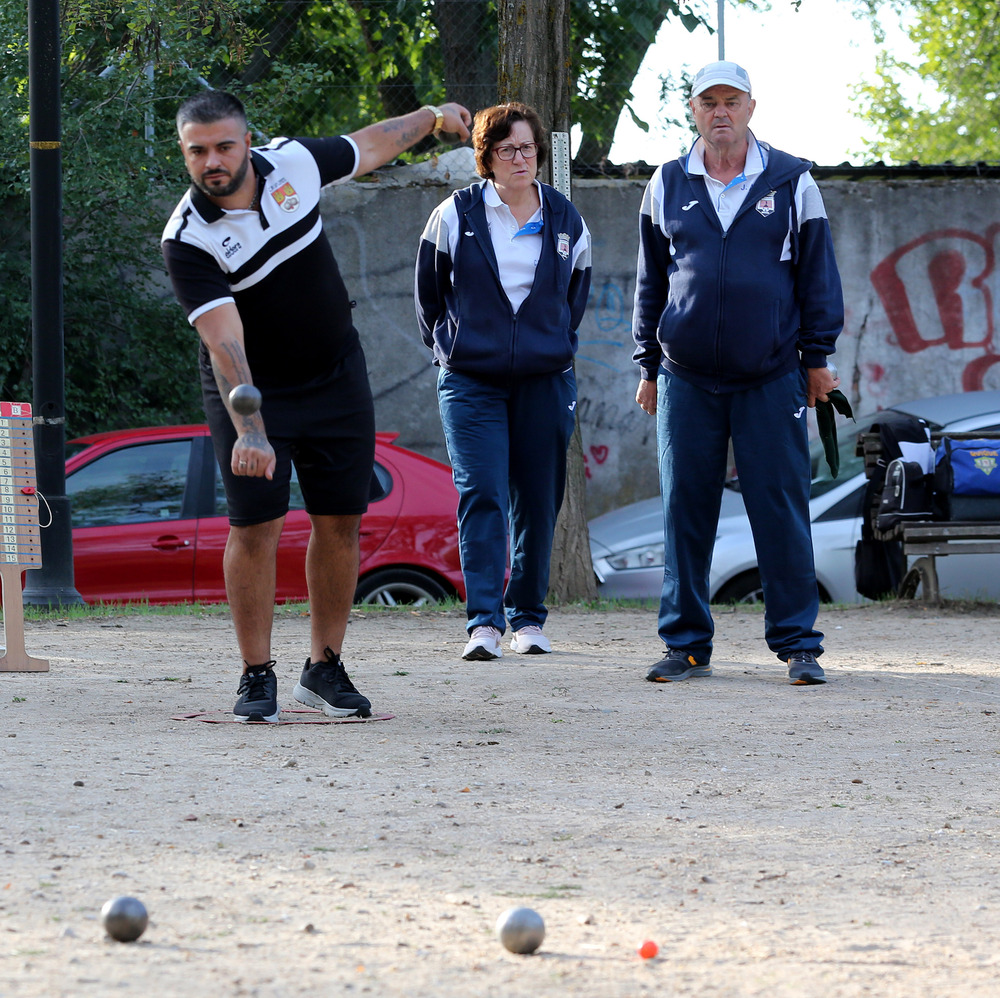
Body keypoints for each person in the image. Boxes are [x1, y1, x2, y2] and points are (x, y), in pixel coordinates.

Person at [161, 91, 472, 721]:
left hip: (336, 375)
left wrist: (435, 119)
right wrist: (252, 430)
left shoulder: (295, 164)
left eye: (224, 146)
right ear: (184, 154)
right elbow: (225, 343)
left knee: (341, 520)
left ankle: (324, 668)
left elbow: (373, 142)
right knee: (255, 526)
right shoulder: (188, 238)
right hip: (252, 388)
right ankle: (256, 674)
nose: (212, 161)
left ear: (248, 142)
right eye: (198, 151)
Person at [631, 61, 844, 686]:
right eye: (708, 102)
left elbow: (817, 277)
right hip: (684, 376)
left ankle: (800, 645)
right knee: (684, 511)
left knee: (780, 509)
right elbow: (651, 283)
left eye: (732, 100)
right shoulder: (667, 182)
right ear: (692, 111)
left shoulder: (793, 179)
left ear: (752, 107)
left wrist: (817, 359)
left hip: (771, 373)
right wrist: (647, 364)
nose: (720, 111)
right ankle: (687, 646)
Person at [415, 102, 592, 660]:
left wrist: (546, 347)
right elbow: (428, 295)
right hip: (471, 381)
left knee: (538, 500)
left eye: (529, 149)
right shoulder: (455, 214)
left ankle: (529, 619)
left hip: (544, 381)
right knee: (483, 493)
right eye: (507, 149)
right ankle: (484, 624)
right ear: (487, 157)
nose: (521, 159)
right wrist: (454, 349)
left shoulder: (567, 219)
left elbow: (575, 299)